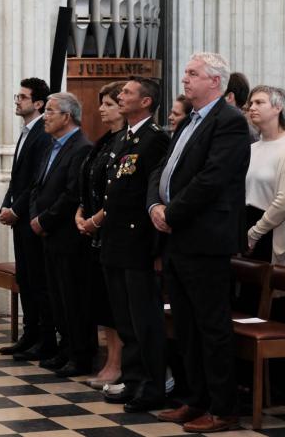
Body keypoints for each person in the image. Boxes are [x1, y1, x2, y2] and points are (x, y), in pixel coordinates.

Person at [147, 52, 249, 433]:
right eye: (186, 73)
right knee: (185, 326)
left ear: (215, 82)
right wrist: (155, 205)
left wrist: (170, 214)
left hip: (205, 238)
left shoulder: (230, 123)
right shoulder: (189, 121)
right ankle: (195, 399)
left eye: (193, 74)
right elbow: (163, 168)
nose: (185, 80)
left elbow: (213, 178)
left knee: (211, 326)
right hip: (176, 237)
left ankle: (224, 408)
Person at [95, 78, 170, 412]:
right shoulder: (124, 139)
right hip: (115, 241)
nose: (120, 97)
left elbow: (151, 194)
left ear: (146, 101)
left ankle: (153, 385)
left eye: (127, 93)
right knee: (125, 320)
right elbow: (115, 189)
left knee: (144, 321)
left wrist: (155, 250)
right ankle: (135, 379)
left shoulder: (154, 140)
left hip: (138, 243)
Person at [28, 92, 94, 378]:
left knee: (73, 298)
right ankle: (64, 348)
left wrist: (45, 219)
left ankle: (80, 355)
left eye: (51, 111)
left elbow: (71, 194)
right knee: (56, 296)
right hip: (48, 233)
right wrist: (34, 215)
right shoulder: (50, 145)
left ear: (67, 117)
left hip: (67, 234)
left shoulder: (81, 147)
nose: (46, 116)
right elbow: (38, 185)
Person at [74, 81, 126, 389]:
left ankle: (117, 363)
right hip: (95, 231)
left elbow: (119, 191)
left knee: (113, 304)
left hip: (112, 230)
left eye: (108, 103)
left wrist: (95, 219)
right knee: (103, 302)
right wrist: (81, 213)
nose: (101, 109)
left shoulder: (127, 140)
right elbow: (91, 179)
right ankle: (111, 360)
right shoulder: (106, 140)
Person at [0, 78, 54, 360]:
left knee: (36, 279)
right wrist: (5, 205)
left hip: (32, 216)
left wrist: (17, 210)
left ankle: (44, 339)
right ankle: (29, 334)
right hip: (19, 215)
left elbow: (35, 181)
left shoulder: (43, 133)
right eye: (17, 96)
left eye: (22, 97)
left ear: (38, 103)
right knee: (25, 278)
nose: (17, 101)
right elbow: (16, 177)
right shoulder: (26, 131)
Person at [244, 85, 285, 264]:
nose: (252, 107)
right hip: (246, 224)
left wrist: (255, 233)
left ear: (278, 108)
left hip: (272, 229)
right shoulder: (251, 148)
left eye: (259, 102)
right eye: (251, 103)